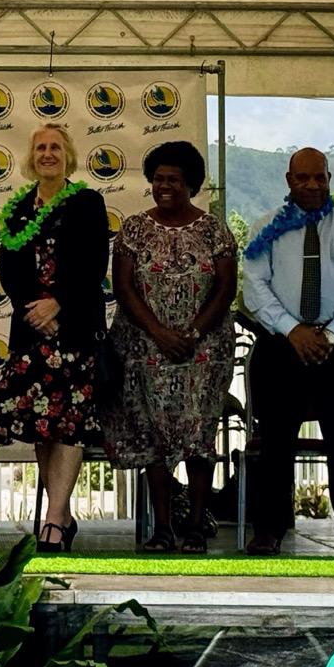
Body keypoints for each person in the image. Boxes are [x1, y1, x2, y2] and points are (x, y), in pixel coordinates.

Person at [0, 124, 109, 551]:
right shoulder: (18, 210)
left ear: (67, 156)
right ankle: (62, 513)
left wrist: (60, 305)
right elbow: (9, 270)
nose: (47, 154)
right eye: (40, 148)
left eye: (55, 147)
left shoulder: (87, 203)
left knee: (68, 423)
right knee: (42, 425)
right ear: (31, 158)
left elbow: (92, 265)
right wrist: (37, 309)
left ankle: (52, 520)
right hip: (32, 330)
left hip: (74, 330)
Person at [239, 147, 334, 556]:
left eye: (320, 177)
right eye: (304, 178)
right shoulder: (265, 228)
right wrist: (293, 331)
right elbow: (255, 287)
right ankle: (268, 531)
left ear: (330, 178)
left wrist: (330, 334)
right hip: (281, 349)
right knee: (276, 441)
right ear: (288, 180)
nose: (313, 185)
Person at [101, 140, 237, 553]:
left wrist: (192, 334)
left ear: (190, 184)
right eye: (158, 179)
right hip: (144, 348)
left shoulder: (214, 229)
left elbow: (225, 288)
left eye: (173, 180)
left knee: (198, 435)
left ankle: (196, 525)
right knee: (152, 439)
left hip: (204, 351)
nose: (164, 186)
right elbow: (122, 288)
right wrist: (159, 333)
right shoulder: (134, 229)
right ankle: (161, 528)